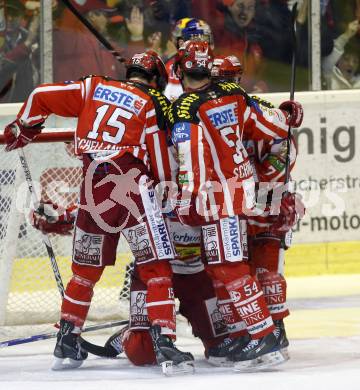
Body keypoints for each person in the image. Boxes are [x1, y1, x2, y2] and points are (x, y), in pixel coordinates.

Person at [3, 50, 194, 371]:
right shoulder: (154, 103)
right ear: (157, 79)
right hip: (134, 190)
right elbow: (161, 161)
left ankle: (67, 340)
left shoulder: (93, 86)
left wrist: (26, 127)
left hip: (92, 189)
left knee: (85, 272)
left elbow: (40, 94)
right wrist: (167, 188)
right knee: (156, 269)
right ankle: (165, 344)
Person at [167, 40, 304, 370]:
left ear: (180, 69)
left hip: (216, 199)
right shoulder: (236, 97)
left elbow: (190, 159)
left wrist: (188, 198)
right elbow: (277, 126)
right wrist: (288, 114)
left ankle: (264, 334)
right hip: (241, 192)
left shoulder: (186, 107)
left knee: (229, 268)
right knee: (224, 266)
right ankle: (254, 332)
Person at [210, 54, 305, 359]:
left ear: (238, 79)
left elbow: (286, 150)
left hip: (267, 203)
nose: (224, 86)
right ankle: (252, 333)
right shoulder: (212, 111)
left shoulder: (256, 108)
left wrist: (261, 182)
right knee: (243, 274)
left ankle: (276, 332)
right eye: (219, 80)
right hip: (238, 205)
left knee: (267, 271)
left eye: (228, 80)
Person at [322, 19, 360, 89]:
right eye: (346, 59)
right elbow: (326, 64)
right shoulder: (330, 76)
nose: (351, 64)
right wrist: (346, 35)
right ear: (338, 58)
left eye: (355, 61)